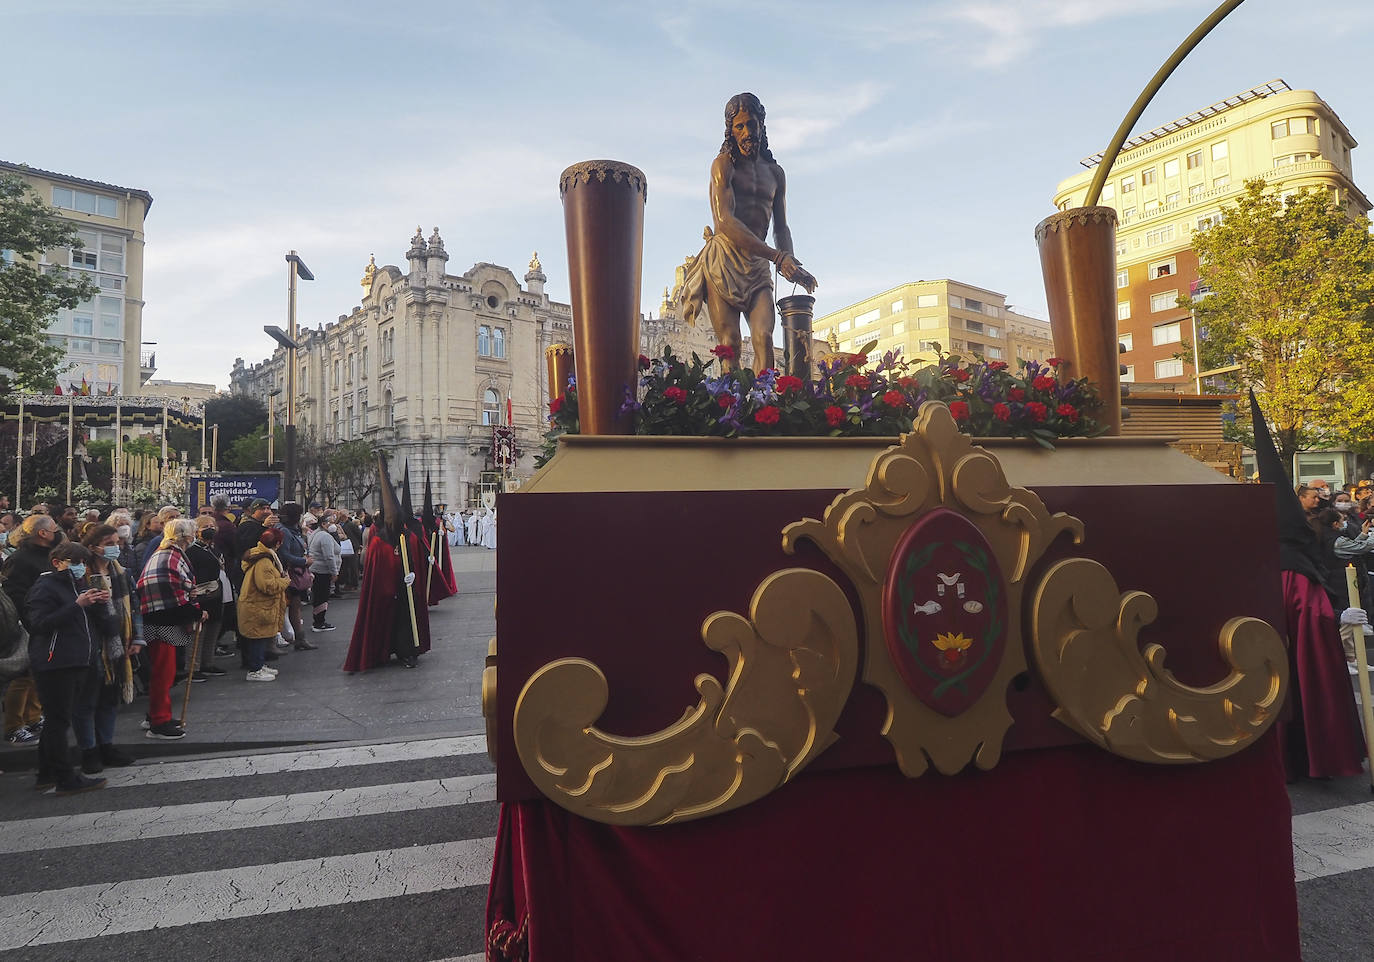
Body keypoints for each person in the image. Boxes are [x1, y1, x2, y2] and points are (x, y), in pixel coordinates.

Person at [677, 92, 818, 373]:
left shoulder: (776, 173)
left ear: (761, 125)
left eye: (750, 124)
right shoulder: (723, 165)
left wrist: (791, 261)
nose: (746, 132)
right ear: (730, 130)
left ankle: (764, 407)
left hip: (757, 266)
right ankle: (734, 412)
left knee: (764, 338)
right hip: (723, 264)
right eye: (738, 127)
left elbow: (781, 226)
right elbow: (724, 222)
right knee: (729, 345)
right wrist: (777, 257)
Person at [25, 541, 112, 794]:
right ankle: (65, 778)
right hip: (56, 663)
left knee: (57, 719)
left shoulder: (75, 585)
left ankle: (47, 773)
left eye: (83, 563)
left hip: (75, 659)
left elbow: (89, 621)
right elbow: (39, 623)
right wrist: (77, 605)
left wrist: (96, 603)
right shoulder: (45, 586)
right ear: (57, 563)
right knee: (58, 721)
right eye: (75, 562)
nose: (80, 567)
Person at [74, 524, 141, 773]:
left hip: (117, 644)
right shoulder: (82, 573)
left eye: (118, 542)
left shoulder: (120, 571)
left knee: (109, 699)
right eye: (110, 543)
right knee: (87, 702)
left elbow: (133, 605)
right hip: (92, 647)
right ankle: (89, 751)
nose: (116, 547)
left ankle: (106, 745)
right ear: (93, 547)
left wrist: (136, 638)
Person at [136, 518, 205, 740]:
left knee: (166, 671)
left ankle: (157, 713)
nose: (194, 537)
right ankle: (158, 721)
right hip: (161, 620)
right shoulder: (168, 556)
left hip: (164, 618)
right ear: (184, 536)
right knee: (162, 673)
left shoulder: (169, 553)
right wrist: (194, 612)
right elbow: (172, 591)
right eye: (193, 533)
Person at [2, 514, 60, 744]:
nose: (57, 533)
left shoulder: (47, 555)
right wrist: (29, 619)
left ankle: (34, 716)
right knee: (22, 676)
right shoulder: (21, 558)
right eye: (54, 528)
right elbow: (14, 592)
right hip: (27, 623)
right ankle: (14, 725)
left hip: (44, 620)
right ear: (42, 533)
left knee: (37, 673)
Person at [238, 528, 288, 682]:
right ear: (278, 543)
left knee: (260, 637)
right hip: (258, 606)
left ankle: (259, 664)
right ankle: (255, 669)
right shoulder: (265, 561)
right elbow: (267, 585)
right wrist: (285, 581)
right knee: (258, 639)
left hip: (257, 605)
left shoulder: (259, 554)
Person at [187, 518, 228, 679]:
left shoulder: (215, 548)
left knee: (213, 628)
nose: (209, 529)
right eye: (205, 527)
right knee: (199, 632)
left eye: (212, 526)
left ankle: (207, 662)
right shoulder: (192, 550)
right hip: (201, 594)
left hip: (216, 592)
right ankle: (193, 667)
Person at [274, 502, 316, 651]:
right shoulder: (285, 531)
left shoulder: (291, 530)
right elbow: (284, 555)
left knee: (294, 606)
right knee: (285, 606)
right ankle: (286, 638)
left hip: (293, 572)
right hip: (289, 573)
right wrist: (304, 561)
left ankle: (298, 637)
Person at [307, 513, 341, 632]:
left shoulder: (316, 534)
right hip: (322, 570)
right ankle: (319, 622)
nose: (333, 525)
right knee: (322, 596)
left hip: (316, 569)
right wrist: (334, 572)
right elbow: (329, 556)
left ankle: (318, 620)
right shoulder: (325, 537)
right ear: (323, 524)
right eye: (330, 522)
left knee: (319, 596)